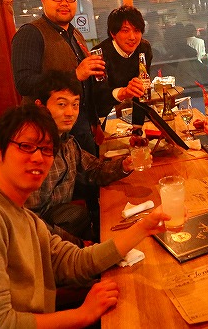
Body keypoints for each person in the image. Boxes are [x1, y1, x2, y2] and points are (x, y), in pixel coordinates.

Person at [0, 104, 168, 328]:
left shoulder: (24, 218)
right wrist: (81, 315)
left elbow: (75, 262)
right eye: (26, 146)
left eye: (47, 150)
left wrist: (144, 226)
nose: (38, 157)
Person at [28, 70, 140, 245]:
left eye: (75, 105)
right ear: (40, 106)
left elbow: (93, 169)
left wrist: (125, 165)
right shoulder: (31, 152)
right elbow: (29, 221)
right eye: (62, 104)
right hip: (41, 242)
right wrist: (79, 245)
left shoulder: (67, 142)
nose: (70, 112)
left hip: (59, 232)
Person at [11, 0, 104, 156]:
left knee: (93, 173)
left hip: (81, 127)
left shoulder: (76, 34)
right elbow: (24, 83)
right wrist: (75, 74)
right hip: (48, 134)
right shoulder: (30, 34)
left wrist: (94, 121)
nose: (64, 3)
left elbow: (85, 85)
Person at [91, 5, 153, 118]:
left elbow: (143, 85)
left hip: (132, 110)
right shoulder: (99, 54)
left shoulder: (144, 48)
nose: (132, 37)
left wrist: (137, 126)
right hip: (104, 114)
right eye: (125, 31)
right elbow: (100, 95)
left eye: (137, 30)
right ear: (113, 33)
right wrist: (124, 92)